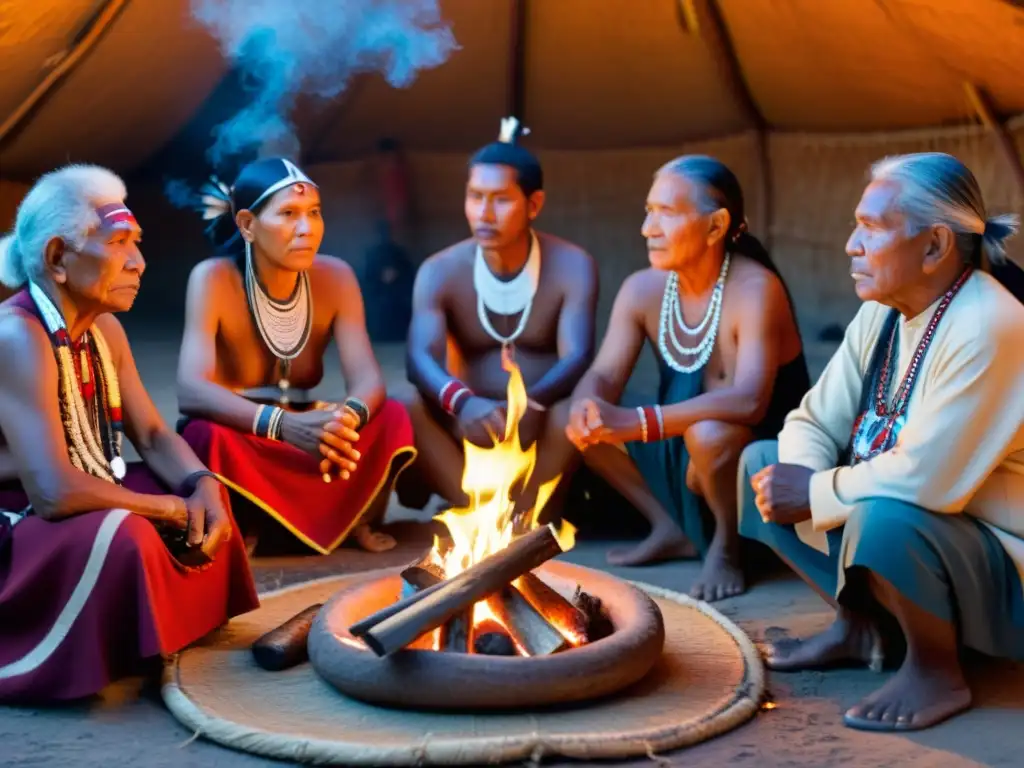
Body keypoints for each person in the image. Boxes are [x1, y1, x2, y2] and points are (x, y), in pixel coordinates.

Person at [739, 152, 1024, 731]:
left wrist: (815, 490)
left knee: (883, 515)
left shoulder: (990, 323)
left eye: (871, 227)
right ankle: (859, 625)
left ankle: (935, 669)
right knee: (763, 463)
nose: (851, 244)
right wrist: (800, 481)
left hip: (1005, 564)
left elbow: (927, 480)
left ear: (934, 246)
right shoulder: (884, 316)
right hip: (929, 530)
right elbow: (813, 420)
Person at [0, 164, 258, 703]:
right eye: (119, 243)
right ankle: (113, 640)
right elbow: (52, 493)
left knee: (204, 494)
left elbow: (155, 433)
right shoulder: (18, 337)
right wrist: (164, 508)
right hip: (18, 517)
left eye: (136, 243)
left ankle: (148, 625)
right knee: (130, 531)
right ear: (56, 259)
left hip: (78, 488)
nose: (139, 262)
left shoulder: (103, 329)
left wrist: (202, 485)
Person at [565, 155, 810, 602]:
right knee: (580, 419)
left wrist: (635, 423)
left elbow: (749, 402)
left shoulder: (756, 289)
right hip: (682, 451)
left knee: (711, 435)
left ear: (716, 227)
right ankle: (670, 526)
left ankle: (727, 545)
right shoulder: (643, 289)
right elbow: (603, 373)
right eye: (648, 210)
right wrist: (587, 407)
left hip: (755, 463)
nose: (648, 227)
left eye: (667, 213)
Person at [176, 157, 416, 556]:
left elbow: (368, 380)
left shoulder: (336, 276)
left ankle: (356, 517)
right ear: (248, 225)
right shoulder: (213, 278)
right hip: (249, 437)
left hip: (314, 435)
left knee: (391, 414)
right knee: (204, 434)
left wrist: (343, 420)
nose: (307, 229)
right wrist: (282, 426)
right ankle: (246, 521)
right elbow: (191, 389)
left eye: (314, 213)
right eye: (289, 214)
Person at [401, 117, 598, 516]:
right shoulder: (440, 270)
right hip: (468, 427)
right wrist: (464, 404)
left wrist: (529, 405)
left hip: (541, 429)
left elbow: (578, 355)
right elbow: (419, 358)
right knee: (403, 402)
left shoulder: (573, 265)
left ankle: (529, 513)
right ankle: (477, 508)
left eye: (501, 199)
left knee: (571, 412)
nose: (485, 213)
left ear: (534, 204)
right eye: (475, 196)